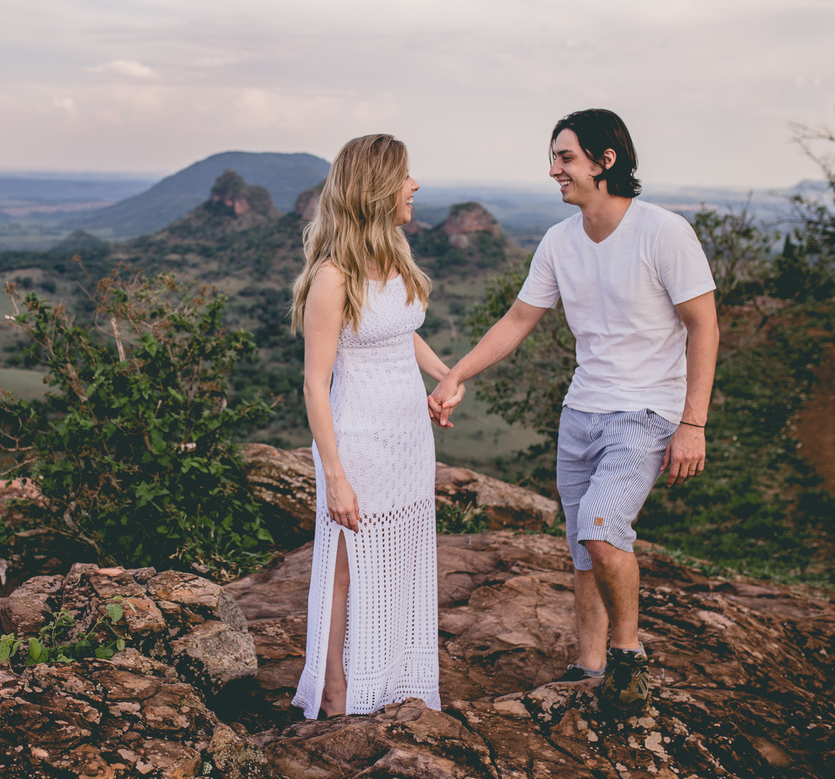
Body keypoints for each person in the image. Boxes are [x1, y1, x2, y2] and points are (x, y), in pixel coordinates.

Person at [429, 109, 719, 716]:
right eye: (554, 157)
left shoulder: (664, 232)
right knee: (582, 546)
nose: (553, 169)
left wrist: (693, 423)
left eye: (564, 157)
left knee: (601, 529)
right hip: (581, 413)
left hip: (644, 414)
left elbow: (704, 325)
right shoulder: (559, 240)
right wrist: (456, 373)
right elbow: (517, 321)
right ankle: (587, 666)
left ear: (604, 161)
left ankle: (628, 655)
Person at [289, 134, 459, 719]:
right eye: (406, 176)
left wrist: (447, 375)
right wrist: (335, 476)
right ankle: (338, 694)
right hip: (356, 440)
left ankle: (393, 679)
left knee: (404, 555)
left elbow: (397, 331)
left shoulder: (394, 255)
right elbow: (315, 383)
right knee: (345, 567)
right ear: (377, 187)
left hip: (409, 439)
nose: (415, 186)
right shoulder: (333, 276)